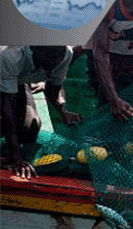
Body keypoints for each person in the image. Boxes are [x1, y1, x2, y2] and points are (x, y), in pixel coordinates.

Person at [1, 46, 82, 178]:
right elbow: (7, 109)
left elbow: (54, 88)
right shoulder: (10, 55)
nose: (55, 62)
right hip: (4, 73)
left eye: (58, 57)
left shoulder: (65, 54)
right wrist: (17, 159)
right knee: (6, 120)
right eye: (50, 57)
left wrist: (63, 111)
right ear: (34, 49)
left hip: (17, 80)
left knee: (30, 128)